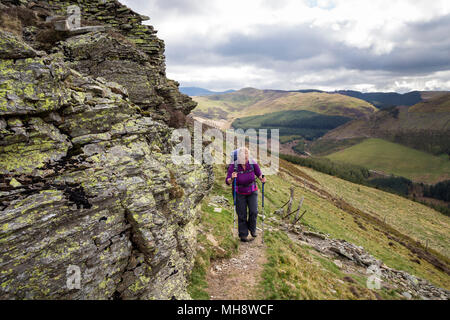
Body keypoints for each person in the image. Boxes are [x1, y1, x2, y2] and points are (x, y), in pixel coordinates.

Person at [225, 147, 267, 242]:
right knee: (241, 214)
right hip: (239, 192)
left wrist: (262, 178)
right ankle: (243, 235)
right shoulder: (233, 166)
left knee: (253, 211)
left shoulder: (252, 163)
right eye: (243, 159)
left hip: (252, 191)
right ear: (238, 158)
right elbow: (227, 182)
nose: (245, 161)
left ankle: (252, 229)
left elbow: (259, 174)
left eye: (246, 158)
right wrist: (231, 178)